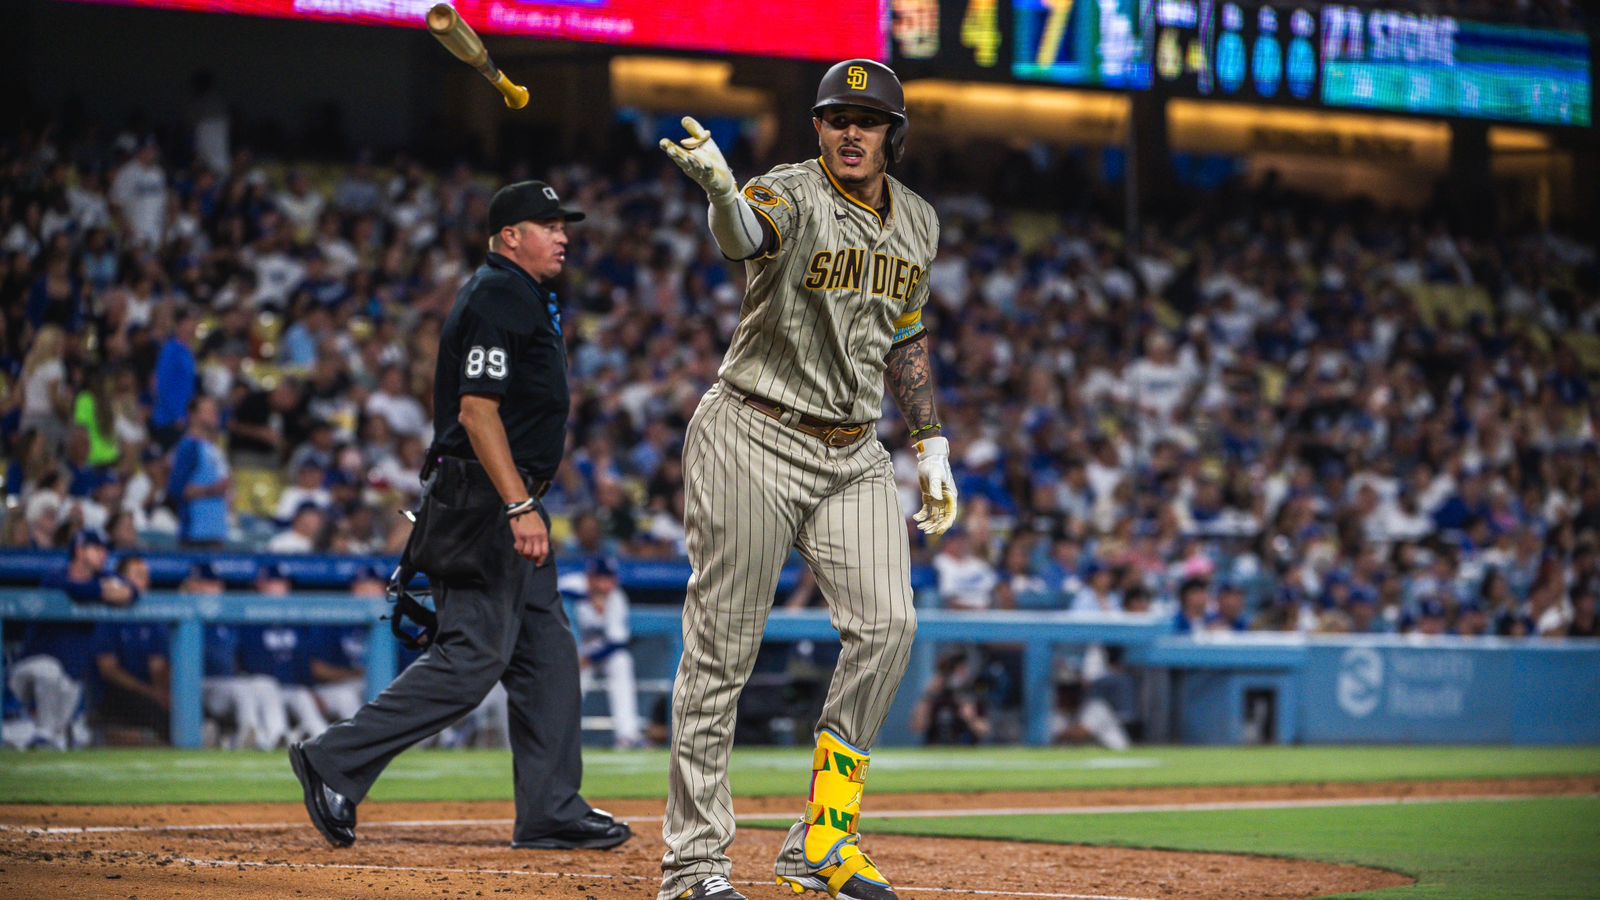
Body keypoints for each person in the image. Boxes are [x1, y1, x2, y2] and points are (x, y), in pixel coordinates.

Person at [657, 59, 954, 900]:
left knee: (889, 627)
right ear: (817, 129)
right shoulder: (788, 190)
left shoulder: (920, 221)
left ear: (894, 134)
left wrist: (929, 442)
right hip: (753, 429)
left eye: (867, 120)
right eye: (835, 118)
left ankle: (823, 839)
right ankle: (693, 868)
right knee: (722, 654)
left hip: (854, 449)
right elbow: (746, 238)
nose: (850, 132)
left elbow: (906, 332)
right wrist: (721, 194)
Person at [289, 180, 630, 853]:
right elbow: (477, 410)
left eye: (564, 224)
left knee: (549, 657)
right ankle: (334, 758)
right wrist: (519, 504)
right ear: (510, 236)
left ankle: (551, 807)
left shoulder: (521, 293)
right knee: (473, 660)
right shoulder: (499, 293)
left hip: (502, 499)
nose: (562, 235)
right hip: (487, 504)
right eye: (547, 224)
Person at [561, 556, 643, 749]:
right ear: (590, 577)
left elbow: (618, 642)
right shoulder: (574, 584)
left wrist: (588, 658)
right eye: (601, 578)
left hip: (598, 652)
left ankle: (628, 735)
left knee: (622, 661)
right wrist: (588, 597)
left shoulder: (617, 598)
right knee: (576, 678)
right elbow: (553, 592)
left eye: (610, 578)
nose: (607, 584)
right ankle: (560, 734)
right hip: (570, 648)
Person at [167, 395, 231, 547]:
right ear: (193, 416)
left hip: (216, 531)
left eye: (215, 411)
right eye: (208, 411)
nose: (215, 415)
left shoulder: (214, 448)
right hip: (196, 533)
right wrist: (211, 490)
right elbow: (176, 490)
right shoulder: (189, 447)